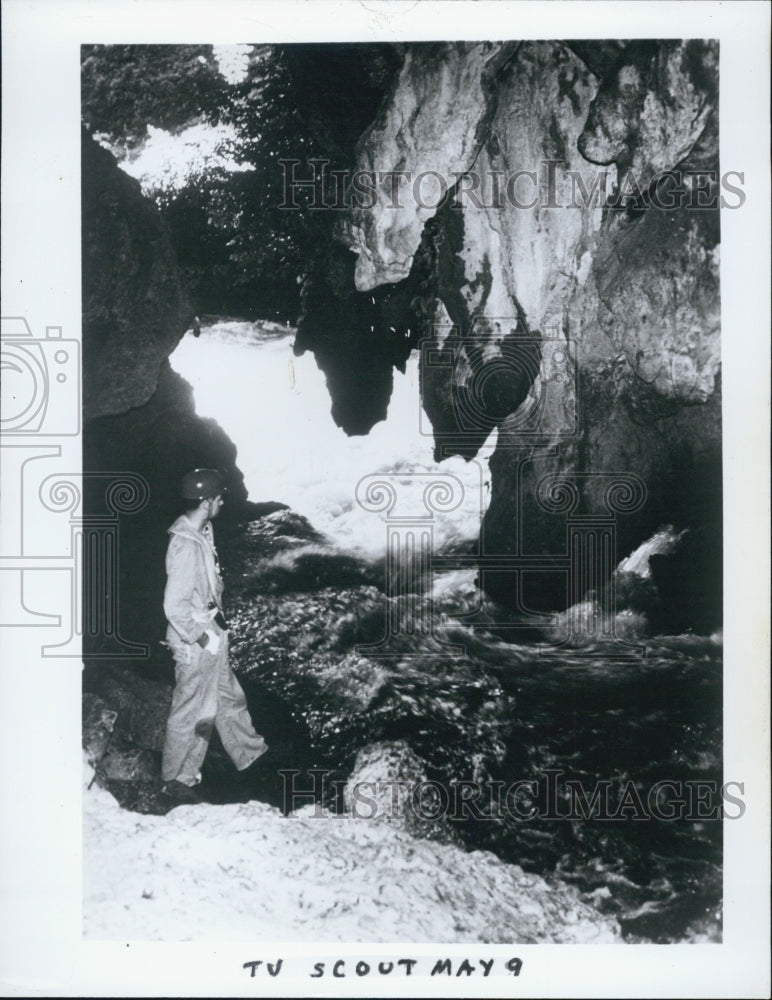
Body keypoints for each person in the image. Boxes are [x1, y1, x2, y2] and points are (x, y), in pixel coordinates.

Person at [161, 468, 268, 802]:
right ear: (206, 501)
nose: (223, 501)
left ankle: (251, 755)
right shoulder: (185, 547)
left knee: (226, 696)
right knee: (190, 712)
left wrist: (214, 631)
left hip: (211, 633)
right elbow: (173, 606)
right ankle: (175, 780)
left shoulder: (203, 531)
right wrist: (201, 637)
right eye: (219, 497)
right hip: (196, 643)